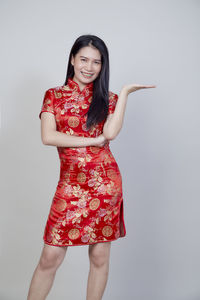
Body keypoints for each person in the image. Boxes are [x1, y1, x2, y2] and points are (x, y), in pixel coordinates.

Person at [27, 34, 156, 300]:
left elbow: (110, 132)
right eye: (83, 59)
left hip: (105, 184)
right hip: (70, 185)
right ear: (72, 59)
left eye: (96, 62)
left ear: (102, 66)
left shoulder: (108, 98)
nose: (89, 67)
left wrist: (125, 95)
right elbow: (48, 137)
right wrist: (92, 140)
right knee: (50, 256)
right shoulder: (54, 95)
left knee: (99, 256)